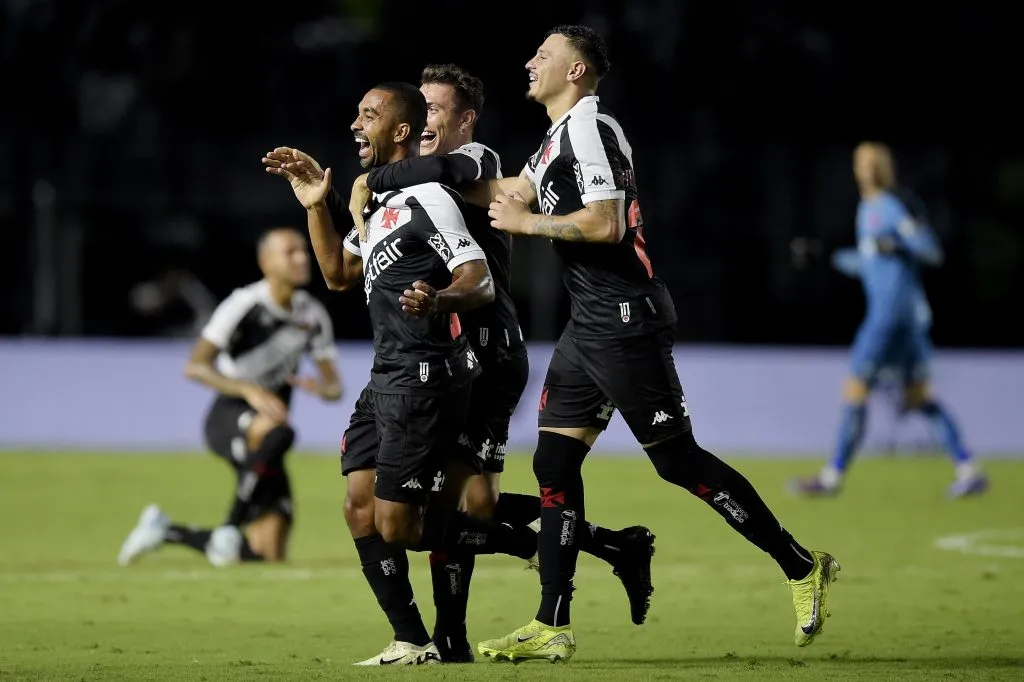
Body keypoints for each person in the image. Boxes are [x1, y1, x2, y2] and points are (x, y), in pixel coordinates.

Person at [458, 25, 839, 663]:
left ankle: (801, 566)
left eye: (544, 55)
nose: (529, 62)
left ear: (576, 71)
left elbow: (604, 224)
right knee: (553, 465)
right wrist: (403, 177)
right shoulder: (558, 137)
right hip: (590, 324)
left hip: (625, 317)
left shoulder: (590, 129)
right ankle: (551, 623)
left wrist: (527, 224)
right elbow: (505, 192)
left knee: (677, 462)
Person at [344, 63, 657, 661]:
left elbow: (437, 174)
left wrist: (376, 176)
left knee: (471, 505)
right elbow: (351, 263)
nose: (425, 122)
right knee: (454, 503)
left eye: (435, 111)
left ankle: (466, 622)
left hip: (488, 349)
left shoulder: (479, 162)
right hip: (441, 348)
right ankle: (602, 550)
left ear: (464, 120)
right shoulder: (402, 184)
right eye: (420, 110)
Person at [263, 81, 538, 666]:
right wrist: (317, 204)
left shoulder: (431, 196)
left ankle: (539, 545)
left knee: (400, 528)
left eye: (369, 114)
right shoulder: (378, 207)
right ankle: (412, 638)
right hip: (383, 374)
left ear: (401, 130)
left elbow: (479, 278)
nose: (356, 123)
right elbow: (338, 274)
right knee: (358, 506)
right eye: (356, 112)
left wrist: (438, 301)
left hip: (425, 375)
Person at [117, 227, 343, 567]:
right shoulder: (244, 304)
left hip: (268, 438)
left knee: (267, 554)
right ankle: (229, 525)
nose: (302, 258)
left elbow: (335, 387)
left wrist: (319, 387)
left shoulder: (311, 316)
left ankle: (164, 531)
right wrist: (248, 389)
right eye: (291, 252)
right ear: (265, 262)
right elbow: (195, 366)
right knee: (279, 430)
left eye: (303, 251)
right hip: (229, 416)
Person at [790, 142, 988, 498]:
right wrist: (825, 255)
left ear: (882, 168)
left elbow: (930, 251)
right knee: (919, 398)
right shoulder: (868, 209)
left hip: (889, 318)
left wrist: (897, 246)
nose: (866, 170)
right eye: (861, 164)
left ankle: (832, 478)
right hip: (905, 321)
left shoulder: (892, 206)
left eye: (871, 163)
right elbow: (868, 262)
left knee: (855, 391)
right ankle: (969, 468)